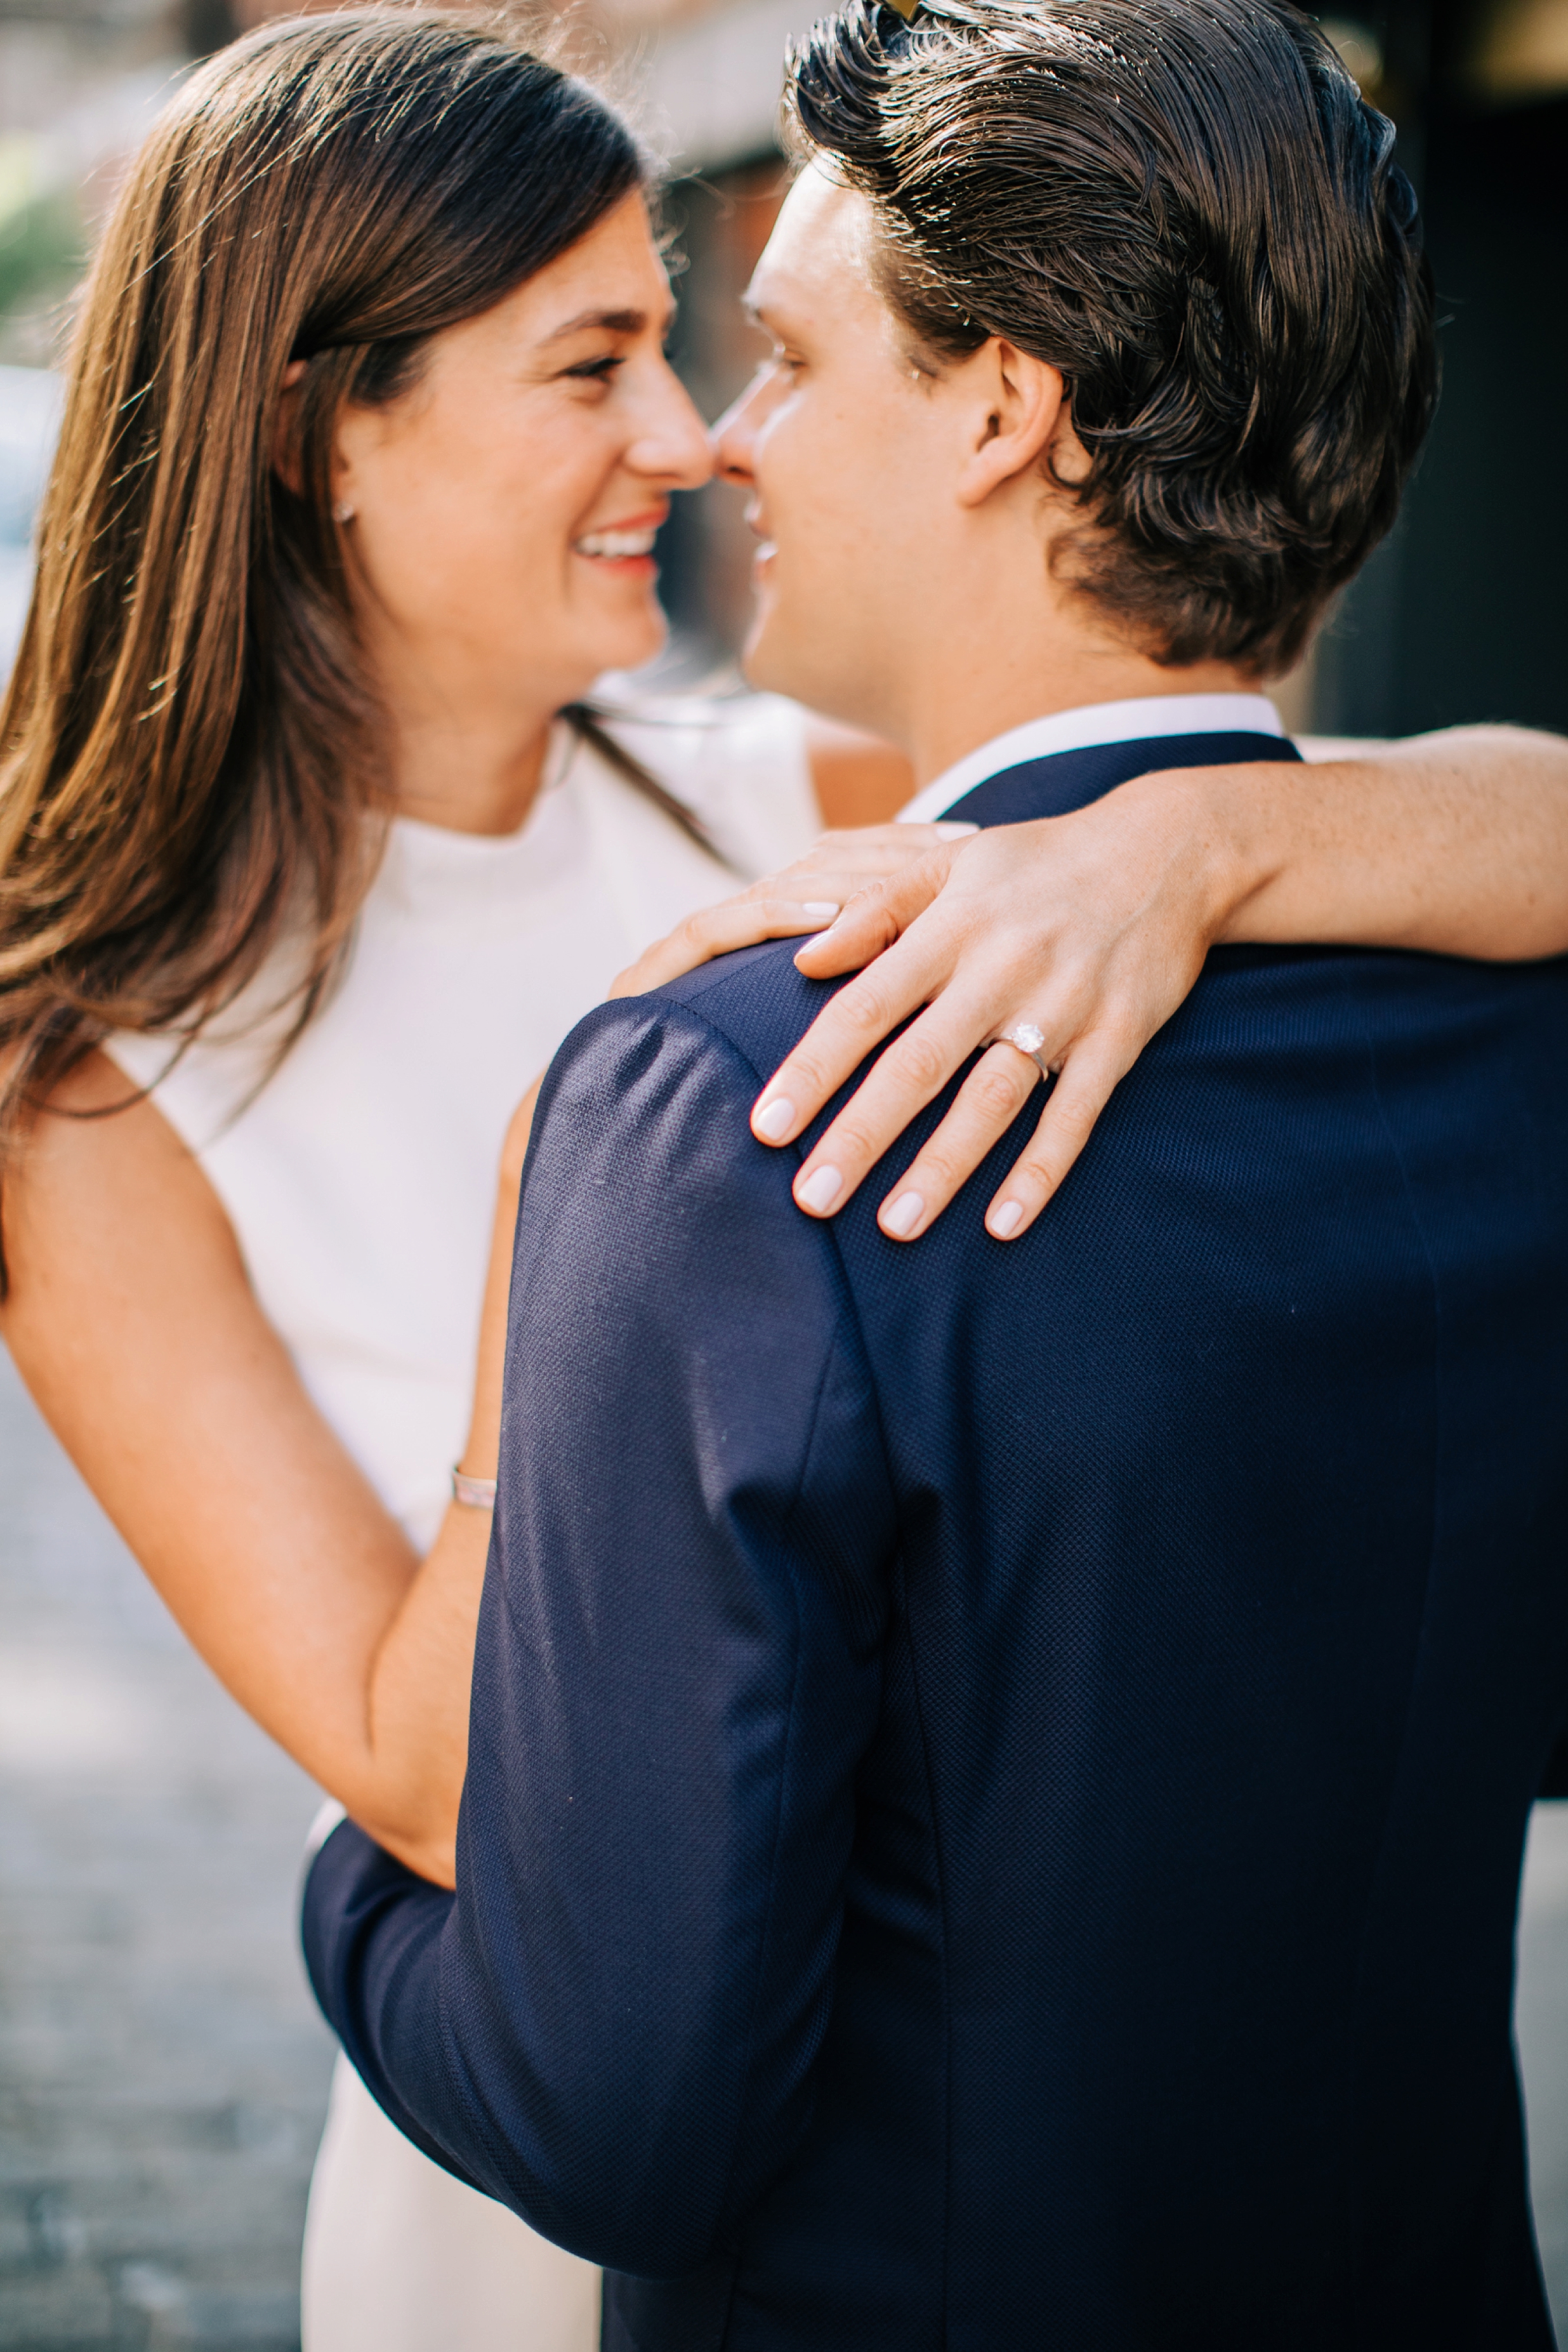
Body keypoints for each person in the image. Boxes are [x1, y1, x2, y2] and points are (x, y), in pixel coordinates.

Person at [0, 8, 1563, 2350]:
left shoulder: (762, 796)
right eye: (592, 363)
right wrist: (571, 1258)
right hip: (523, 2174)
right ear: (331, 423)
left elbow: (1507, 805)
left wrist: (1207, 830)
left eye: (695, 343)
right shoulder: (83, 1083)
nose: (684, 436)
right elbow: (431, 1777)